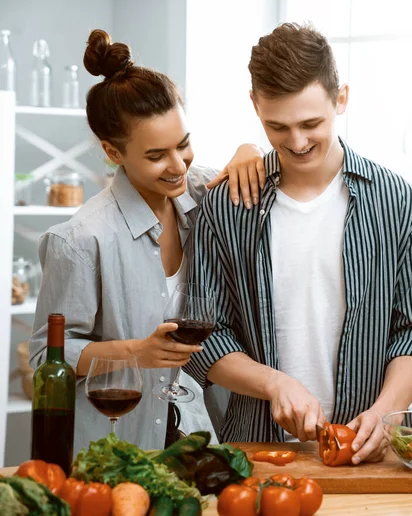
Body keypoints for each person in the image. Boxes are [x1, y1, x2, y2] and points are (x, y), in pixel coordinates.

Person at [184, 23, 412, 464]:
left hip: (373, 452)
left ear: (340, 98)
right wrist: (274, 384)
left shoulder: (398, 202)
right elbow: (204, 339)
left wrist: (385, 413)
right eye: (277, 127)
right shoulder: (227, 205)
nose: (298, 142)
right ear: (254, 106)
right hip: (257, 451)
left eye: (311, 123)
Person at [28, 29, 265, 453]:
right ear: (113, 152)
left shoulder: (202, 194)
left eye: (185, 144)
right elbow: (47, 358)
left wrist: (251, 147)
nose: (177, 165)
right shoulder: (80, 239)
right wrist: (137, 351)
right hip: (116, 443)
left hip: (198, 434)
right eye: (156, 156)